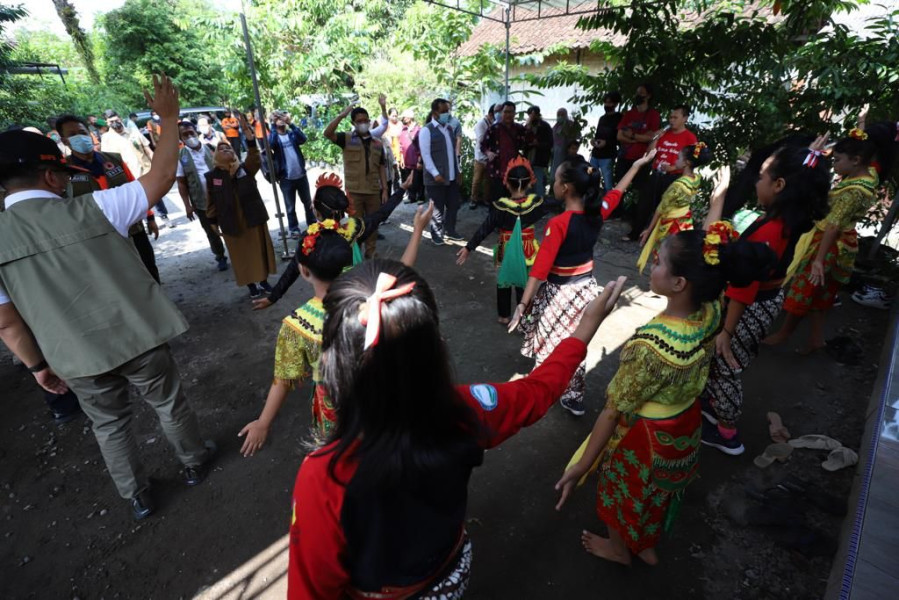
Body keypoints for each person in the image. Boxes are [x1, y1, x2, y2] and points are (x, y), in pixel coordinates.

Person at [287, 258, 627, 598]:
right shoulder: (469, 410)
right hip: (449, 574)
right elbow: (539, 391)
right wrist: (584, 329)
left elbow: (311, 590)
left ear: (334, 360)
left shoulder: (323, 477)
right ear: (435, 346)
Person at [0, 74, 214, 521]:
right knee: (167, 402)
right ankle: (194, 463)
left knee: (108, 424)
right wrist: (169, 118)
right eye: (61, 170)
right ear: (50, 176)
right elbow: (162, 177)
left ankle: (136, 495)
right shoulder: (96, 207)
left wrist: (39, 367)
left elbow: (7, 322)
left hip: (74, 357)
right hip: (137, 336)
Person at [555, 225, 776, 566]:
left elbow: (613, 411)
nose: (651, 266)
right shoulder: (712, 309)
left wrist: (583, 464)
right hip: (684, 424)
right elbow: (712, 269)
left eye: (658, 262)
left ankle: (619, 549)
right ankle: (645, 544)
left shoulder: (650, 346)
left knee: (621, 490)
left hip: (645, 438)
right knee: (658, 492)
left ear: (679, 284)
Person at [239, 203, 434, 456]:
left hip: (335, 408)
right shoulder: (371, 294)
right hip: (381, 396)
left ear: (304, 270)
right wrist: (417, 229)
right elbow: (404, 269)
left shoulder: (297, 325)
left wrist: (263, 422)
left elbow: (283, 380)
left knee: (343, 457)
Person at [699, 139, 832, 455]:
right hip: (765, 300)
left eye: (761, 176)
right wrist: (805, 157)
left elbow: (744, 287)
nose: (757, 181)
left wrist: (727, 332)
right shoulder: (788, 219)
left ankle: (726, 432)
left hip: (748, 307)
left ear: (780, 185)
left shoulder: (769, 230)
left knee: (727, 362)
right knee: (728, 363)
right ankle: (711, 402)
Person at [509, 150, 657, 416]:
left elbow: (539, 271)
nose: (552, 184)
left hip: (559, 293)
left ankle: (543, 388)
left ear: (565, 188)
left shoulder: (558, 223)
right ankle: (574, 395)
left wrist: (522, 303)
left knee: (550, 341)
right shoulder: (596, 213)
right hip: (586, 288)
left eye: (555, 180)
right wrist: (635, 167)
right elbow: (616, 193)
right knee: (577, 341)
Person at [765, 127, 892, 352]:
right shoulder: (869, 175)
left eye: (838, 160)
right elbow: (862, 151)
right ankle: (815, 339)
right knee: (822, 293)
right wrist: (861, 126)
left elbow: (833, 226)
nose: (834, 164)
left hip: (827, 243)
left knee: (804, 289)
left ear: (856, 160)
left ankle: (784, 333)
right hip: (843, 242)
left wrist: (817, 260)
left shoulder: (854, 191)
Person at [254, 172, 417, 311]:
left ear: (316, 210)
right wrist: (401, 189)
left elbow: (292, 270)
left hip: (329, 300)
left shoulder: (310, 238)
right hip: (358, 291)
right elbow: (382, 214)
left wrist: (273, 297)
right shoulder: (355, 227)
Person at [57, 114, 162, 283]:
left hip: (133, 228)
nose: (79, 136)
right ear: (65, 141)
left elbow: (134, 187)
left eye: (82, 132)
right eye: (72, 134)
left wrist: (149, 217)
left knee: (149, 270)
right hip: (99, 236)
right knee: (120, 279)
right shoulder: (64, 171)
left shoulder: (114, 159)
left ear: (89, 133)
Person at [457, 157, 555, 323]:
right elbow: (557, 201)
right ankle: (523, 315)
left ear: (507, 183)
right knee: (524, 281)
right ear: (530, 182)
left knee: (504, 280)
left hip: (506, 249)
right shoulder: (537, 204)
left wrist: (469, 248)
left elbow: (485, 228)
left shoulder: (500, 207)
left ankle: (504, 316)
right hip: (527, 250)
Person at [206, 114, 277, 300]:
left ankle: (263, 281)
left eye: (228, 147)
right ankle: (251, 286)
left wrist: (249, 136)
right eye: (221, 148)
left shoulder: (245, 169)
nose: (225, 149)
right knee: (241, 257)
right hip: (231, 222)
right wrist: (212, 222)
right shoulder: (212, 177)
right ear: (215, 156)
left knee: (258, 251)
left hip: (252, 217)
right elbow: (211, 201)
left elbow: (255, 157)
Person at [324, 98, 389, 258]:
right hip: (354, 192)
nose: (363, 123)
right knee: (355, 226)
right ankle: (356, 255)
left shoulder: (377, 143)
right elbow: (327, 134)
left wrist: (385, 189)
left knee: (373, 225)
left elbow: (381, 166)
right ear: (353, 123)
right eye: (359, 121)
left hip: (373, 190)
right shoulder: (345, 139)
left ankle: (371, 252)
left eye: (365, 120)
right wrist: (342, 114)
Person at [626, 104, 698, 241]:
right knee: (644, 203)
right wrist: (656, 138)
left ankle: (656, 237)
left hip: (674, 177)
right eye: (670, 117)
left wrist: (673, 168)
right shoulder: (664, 134)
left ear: (685, 119)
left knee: (665, 208)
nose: (671, 120)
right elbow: (649, 153)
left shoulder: (690, 138)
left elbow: (692, 161)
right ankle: (636, 233)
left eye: (675, 117)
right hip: (657, 174)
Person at [637, 142, 711, 273]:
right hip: (684, 221)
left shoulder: (678, 185)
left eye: (678, 158)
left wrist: (649, 229)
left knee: (662, 252)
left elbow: (661, 208)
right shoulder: (696, 179)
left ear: (686, 163)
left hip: (670, 223)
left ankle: (661, 278)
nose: (675, 160)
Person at [176, 121, 229, 272]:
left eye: (191, 132)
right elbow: (181, 183)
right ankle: (220, 256)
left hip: (221, 197)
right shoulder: (181, 157)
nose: (189, 136)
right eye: (185, 135)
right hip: (201, 202)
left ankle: (237, 252)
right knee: (211, 231)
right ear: (180, 138)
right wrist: (187, 205)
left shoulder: (211, 148)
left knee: (230, 225)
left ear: (196, 131)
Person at [419, 98, 464, 245]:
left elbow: (453, 153)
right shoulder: (427, 130)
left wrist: (458, 171)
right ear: (435, 112)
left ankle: (450, 231)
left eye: (447, 111)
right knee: (437, 209)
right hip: (436, 178)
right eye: (443, 111)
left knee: (453, 205)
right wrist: (435, 173)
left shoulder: (449, 129)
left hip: (451, 176)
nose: (446, 114)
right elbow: (425, 155)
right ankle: (437, 234)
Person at [269, 110, 315, 238]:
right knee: (290, 207)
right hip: (286, 178)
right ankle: (294, 229)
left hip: (301, 175)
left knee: (308, 203)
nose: (280, 119)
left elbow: (303, 139)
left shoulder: (291, 134)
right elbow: (270, 144)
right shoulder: (275, 137)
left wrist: (291, 123)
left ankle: (312, 224)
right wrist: (273, 125)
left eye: (282, 116)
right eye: (277, 117)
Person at [482, 101, 529, 203]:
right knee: (496, 202)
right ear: (501, 113)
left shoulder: (520, 129)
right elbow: (483, 145)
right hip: (497, 171)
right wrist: (488, 153)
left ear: (514, 114)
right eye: (506, 112)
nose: (508, 115)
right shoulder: (494, 129)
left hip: (514, 172)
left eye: (511, 112)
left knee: (513, 202)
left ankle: (511, 219)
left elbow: (528, 144)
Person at [615, 83, 662, 185]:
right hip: (624, 158)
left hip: (642, 159)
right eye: (637, 93)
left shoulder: (653, 115)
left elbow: (651, 137)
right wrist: (639, 138)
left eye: (641, 93)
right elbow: (619, 136)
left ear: (648, 96)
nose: (638, 95)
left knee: (640, 190)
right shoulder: (629, 114)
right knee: (619, 189)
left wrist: (632, 135)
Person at [101, 110, 154, 177]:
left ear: (120, 119)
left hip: (148, 171)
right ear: (107, 123)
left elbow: (149, 152)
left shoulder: (134, 133)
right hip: (130, 177)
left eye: (117, 120)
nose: (115, 123)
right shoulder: (106, 139)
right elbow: (109, 162)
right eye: (111, 122)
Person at [590, 91, 623, 194]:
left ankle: (608, 206)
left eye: (609, 103)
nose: (607, 105)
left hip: (608, 156)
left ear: (616, 104)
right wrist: (594, 141)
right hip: (595, 154)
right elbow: (598, 134)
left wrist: (607, 143)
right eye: (605, 103)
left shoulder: (619, 118)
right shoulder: (602, 118)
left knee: (608, 184)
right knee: (590, 179)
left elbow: (619, 139)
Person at [525, 105, 554, 197]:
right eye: (530, 115)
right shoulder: (527, 126)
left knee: (538, 181)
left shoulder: (545, 126)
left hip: (539, 159)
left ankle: (540, 203)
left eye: (534, 115)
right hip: (528, 159)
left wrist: (539, 144)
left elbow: (550, 143)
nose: (532, 117)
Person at [470, 104, 495, 209]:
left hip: (489, 158)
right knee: (477, 180)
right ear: (490, 114)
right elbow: (481, 141)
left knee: (488, 181)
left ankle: (486, 199)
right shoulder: (481, 124)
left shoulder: (492, 123)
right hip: (480, 157)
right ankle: (473, 199)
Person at [552, 108, 582, 176]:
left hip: (568, 152)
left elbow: (578, 136)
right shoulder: (555, 126)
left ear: (566, 115)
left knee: (566, 171)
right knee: (556, 172)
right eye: (558, 115)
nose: (560, 116)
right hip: (557, 153)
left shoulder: (571, 124)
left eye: (562, 115)